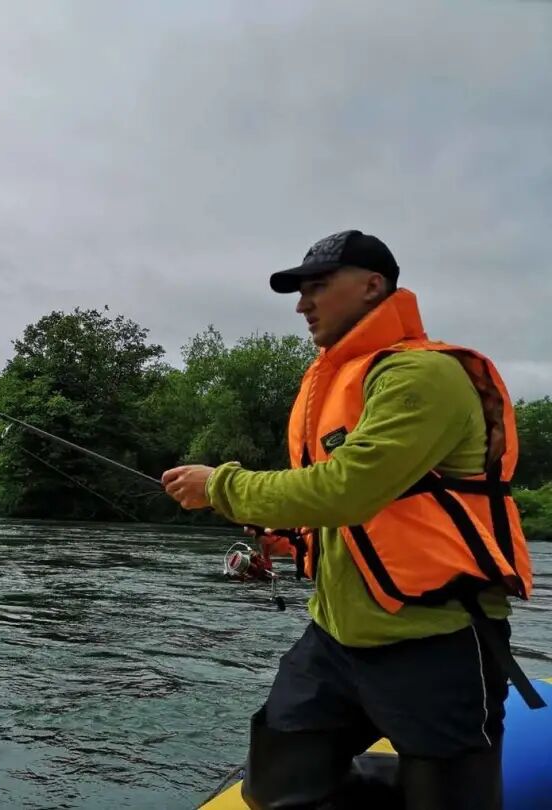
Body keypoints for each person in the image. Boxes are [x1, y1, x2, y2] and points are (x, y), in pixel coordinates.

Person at [161, 230, 539, 809]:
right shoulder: (339, 378)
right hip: (336, 640)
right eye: (300, 290)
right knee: (273, 782)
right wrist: (296, 541)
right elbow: (360, 515)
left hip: (436, 637)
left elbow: (349, 488)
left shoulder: (423, 376)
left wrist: (219, 485)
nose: (302, 303)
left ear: (372, 287)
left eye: (317, 287)